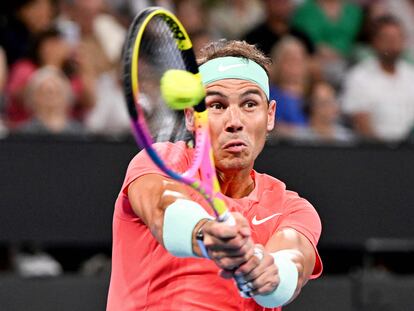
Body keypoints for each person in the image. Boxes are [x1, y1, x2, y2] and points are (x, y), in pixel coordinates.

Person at [107, 40, 322, 310]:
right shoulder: (162, 162)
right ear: (190, 116)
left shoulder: (292, 208)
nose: (235, 121)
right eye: (217, 106)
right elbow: (163, 208)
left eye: (249, 104)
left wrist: (267, 274)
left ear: (270, 115)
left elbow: (293, 261)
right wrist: (205, 234)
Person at [341, 15, 414, 142]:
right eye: (387, 38)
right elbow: (361, 124)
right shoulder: (359, 77)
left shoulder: (411, 74)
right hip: (375, 152)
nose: (393, 43)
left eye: (397, 38)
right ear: (374, 42)